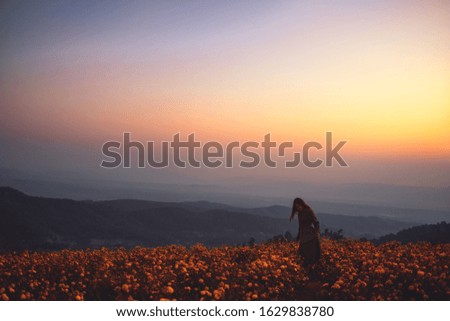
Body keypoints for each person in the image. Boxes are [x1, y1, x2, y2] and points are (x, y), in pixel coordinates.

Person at [290, 197, 321, 271]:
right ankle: (305, 273)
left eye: (298, 207)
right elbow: (300, 226)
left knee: (310, 257)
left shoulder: (309, 211)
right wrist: (298, 236)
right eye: (296, 208)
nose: (298, 209)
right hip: (303, 237)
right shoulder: (299, 214)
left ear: (301, 204)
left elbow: (316, 223)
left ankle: (311, 273)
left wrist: (317, 233)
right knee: (302, 256)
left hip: (311, 237)